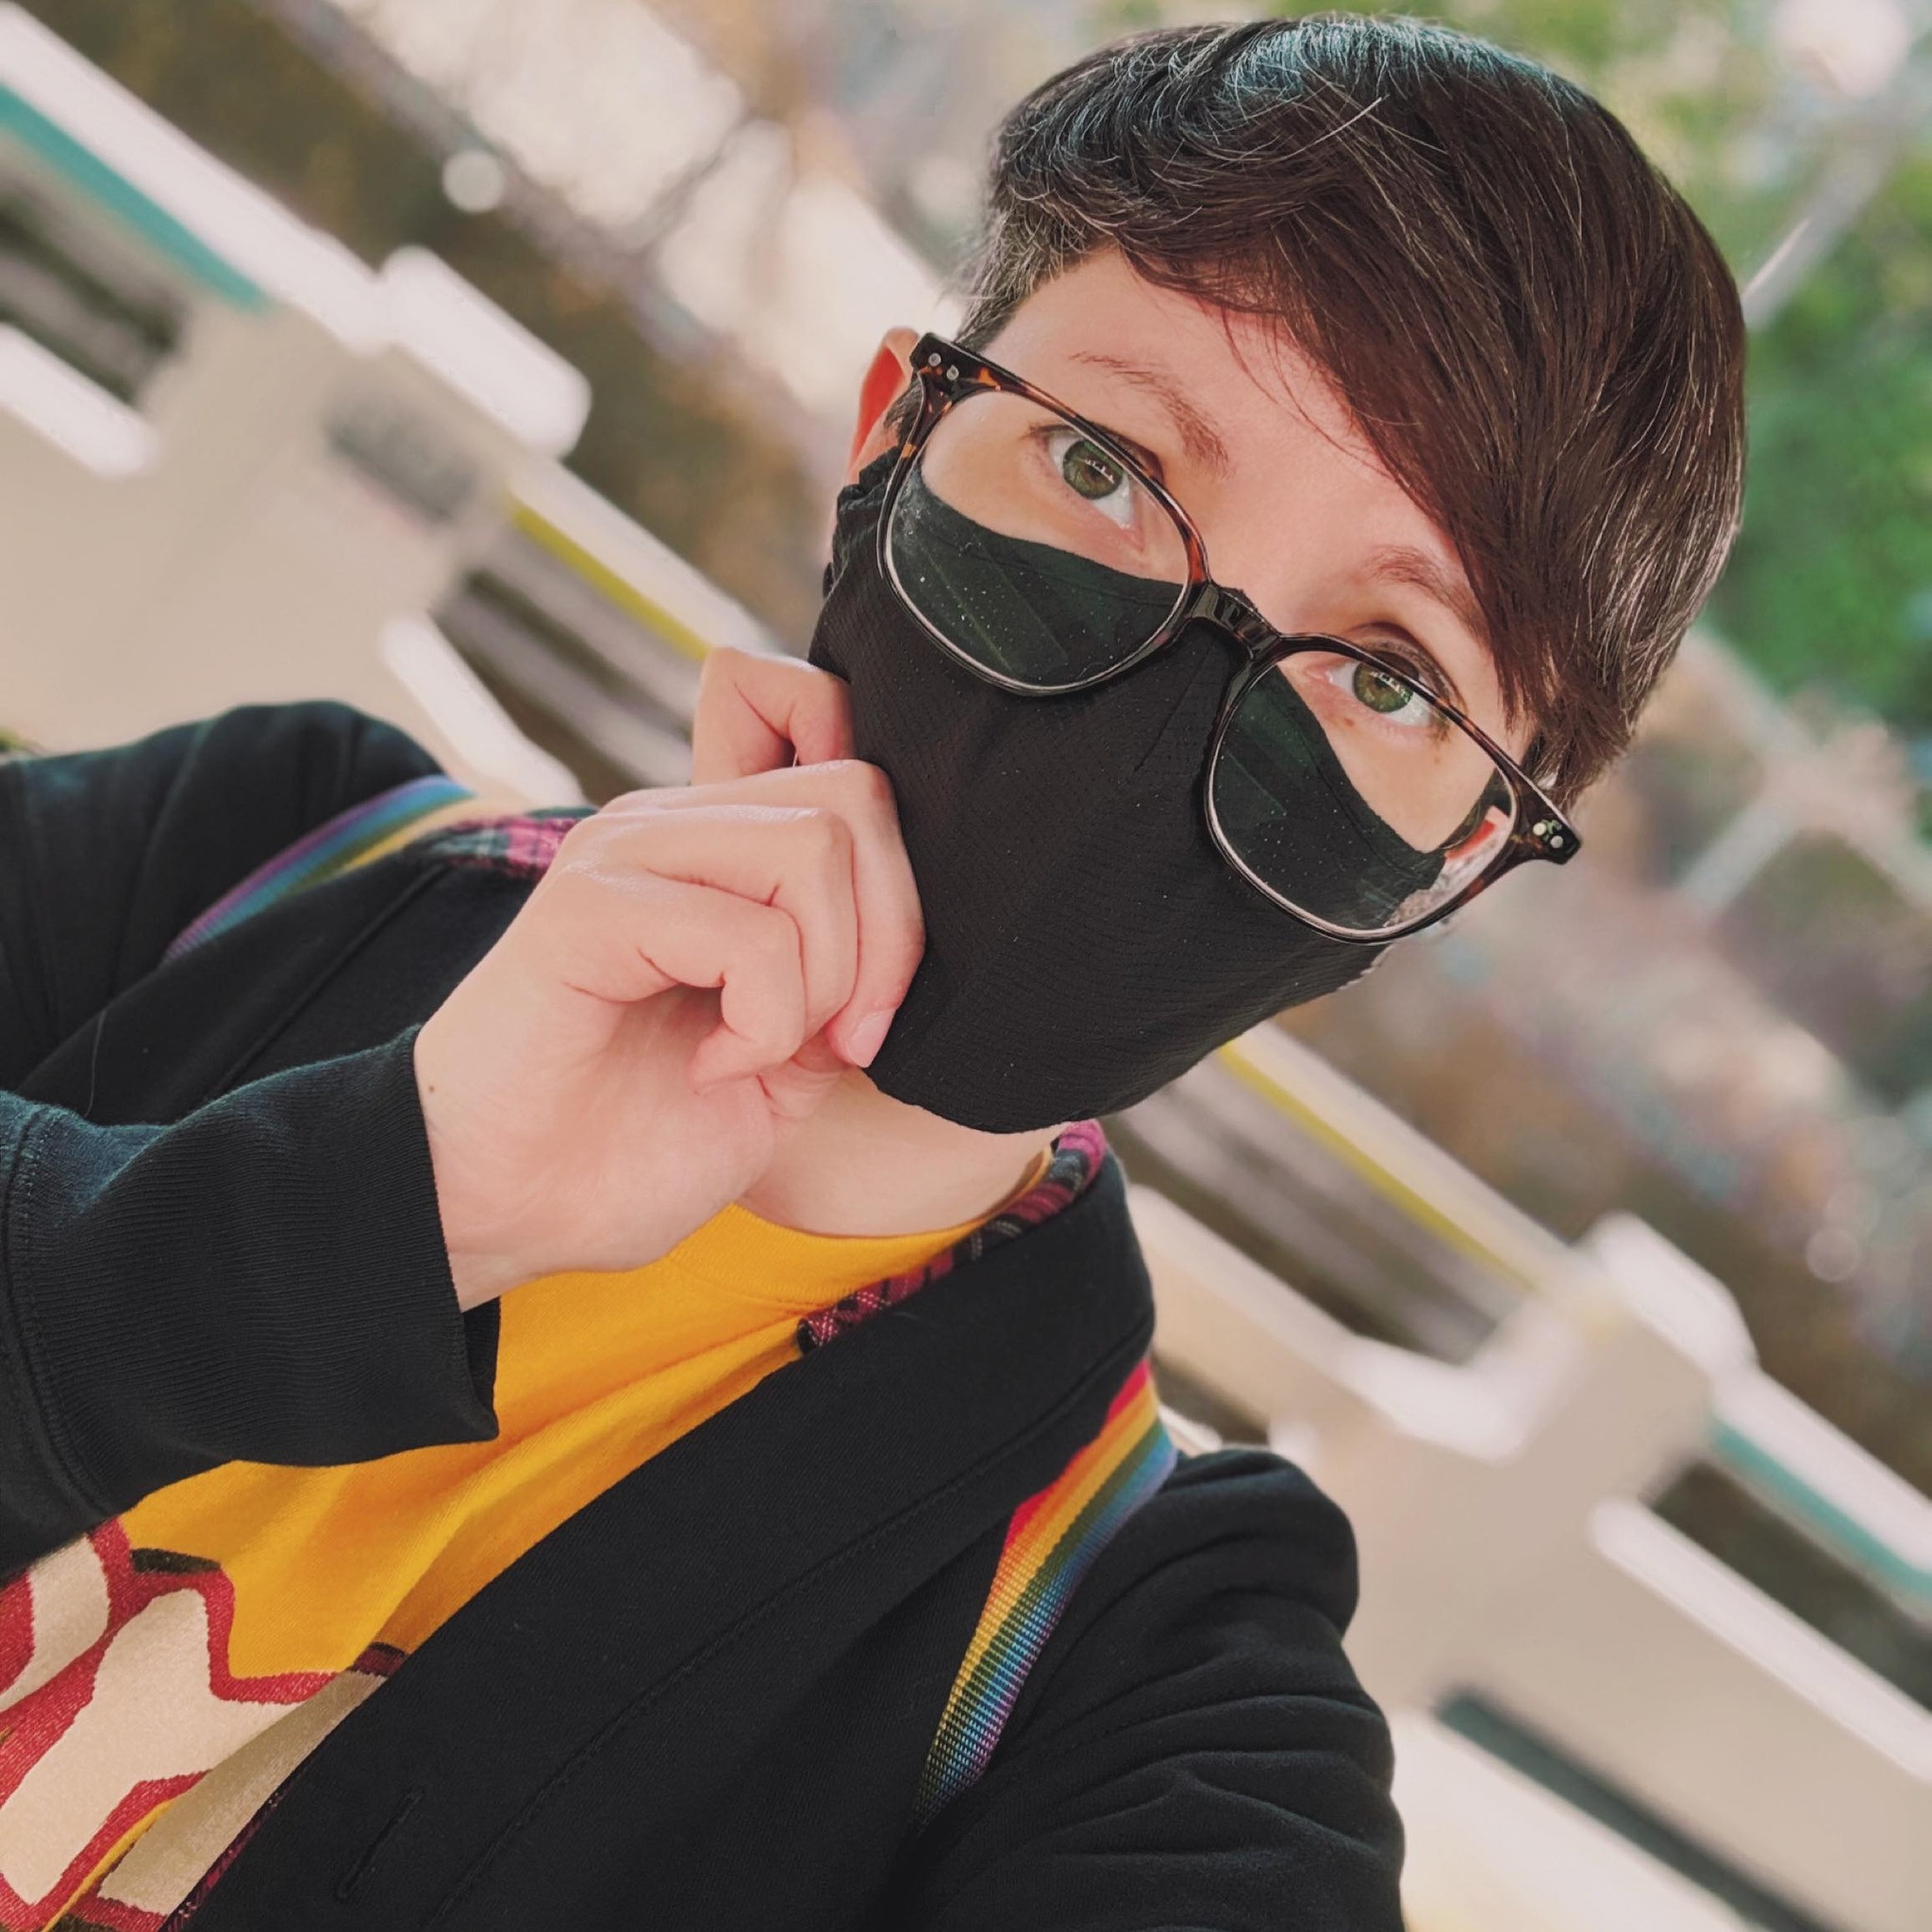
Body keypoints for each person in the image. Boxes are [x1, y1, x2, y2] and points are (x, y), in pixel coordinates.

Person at [0, 15, 1742, 1930]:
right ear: (894, 435)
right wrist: (379, 1200)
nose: (1180, 680)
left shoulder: (1137, 1664)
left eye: (1387, 674)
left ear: (1456, 858)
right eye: (1103, 462)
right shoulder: (253, 852)